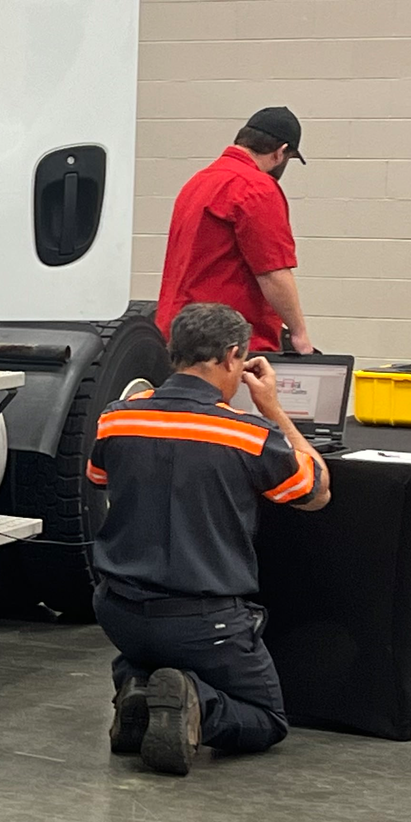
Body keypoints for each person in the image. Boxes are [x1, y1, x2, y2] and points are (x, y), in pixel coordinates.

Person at [84, 302, 331, 775]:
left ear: (172, 351)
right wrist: (272, 408)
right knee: (267, 719)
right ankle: (196, 700)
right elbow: (317, 491)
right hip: (203, 624)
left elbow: (99, 479)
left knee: (151, 649)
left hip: (119, 612)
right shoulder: (247, 435)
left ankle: (137, 686)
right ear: (232, 357)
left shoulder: (117, 418)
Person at [156, 107, 315, 355]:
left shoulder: (198, 182)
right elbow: (273, 273)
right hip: (226, 346)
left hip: (178, 336)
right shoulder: (256, 187)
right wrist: (299, 334)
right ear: (281, 152)